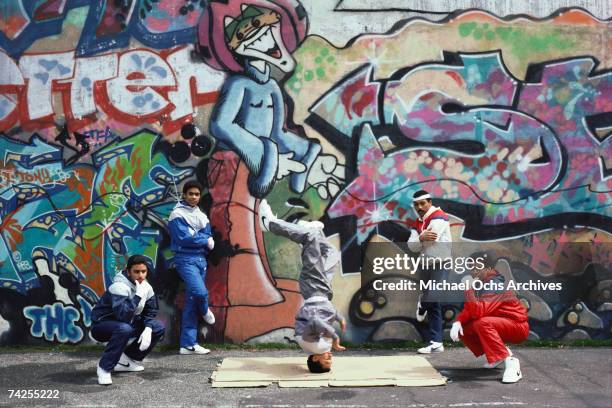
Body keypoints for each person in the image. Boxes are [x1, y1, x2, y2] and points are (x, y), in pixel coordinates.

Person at [259, 199, 346, 373]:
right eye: (330, 362)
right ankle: (311, 231)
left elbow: (315, 321)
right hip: (322, 290)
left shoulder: (316, 347)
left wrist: (336, 335)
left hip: (315, 288)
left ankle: (269, 224)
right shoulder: (315, 346)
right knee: (332, 255)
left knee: (309, 238)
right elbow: (324, 315)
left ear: (315, 358)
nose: (330, 359)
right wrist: (338, 316)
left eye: (326, 362)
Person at [449, 251, 529, 383]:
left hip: (517, 326)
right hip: (502, 323)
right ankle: (498, 355)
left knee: (482, 323)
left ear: (489, 269)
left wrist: (468, 290)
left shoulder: (494, 284)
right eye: (471, 267)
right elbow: (470, 309)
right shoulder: (481, 282)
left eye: (477, 267)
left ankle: (512, 364)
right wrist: (458, 322)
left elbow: (478, 312)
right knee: (464, 327)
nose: (473, 271)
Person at [91, 255, 165, 385]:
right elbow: (122, 315)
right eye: (136, 272)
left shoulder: (146, 287)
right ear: (128, 271)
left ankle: (125, 360)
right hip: (101, 326)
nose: (141, 275)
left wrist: (148, 328)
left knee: (157, 327)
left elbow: (151, 310)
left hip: (127, 324)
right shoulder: (119, 286)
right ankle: (104, 368)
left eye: (144, 271)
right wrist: (138, 296)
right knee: (124, 328)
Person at [168, 180, 215, 355]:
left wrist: (198, 237)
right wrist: (203, 240)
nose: (194, 197)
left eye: (196, 194)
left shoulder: (201, 215)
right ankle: (205, 311)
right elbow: (183, 238)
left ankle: (187, 344)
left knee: (191, 301)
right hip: (185, 260)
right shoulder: (177, 215)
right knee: (201, 293)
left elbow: (207, 234)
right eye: (190, 194)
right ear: (184, 195)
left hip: (200, 261)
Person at [407, 190, 452, 354]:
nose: (419, 207)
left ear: (430, 202)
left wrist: (420, 238)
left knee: (432, 296)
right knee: (434, 305)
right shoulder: (417, 223)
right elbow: (411, 245)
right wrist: (420, 238)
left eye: (422, 203)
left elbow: (433, 237)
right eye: (416, 204)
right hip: (425, 265)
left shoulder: (439, 216)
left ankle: (422, 303)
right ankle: (436, 342)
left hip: (441, 263)